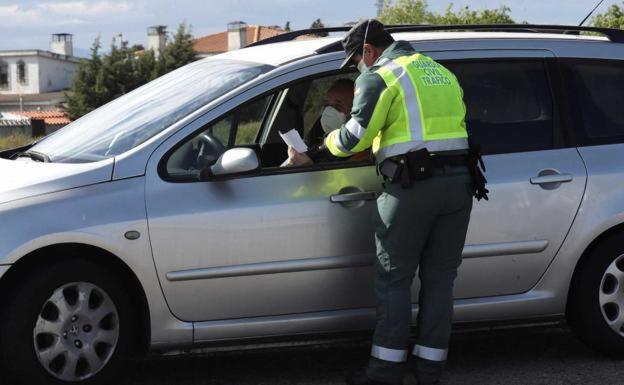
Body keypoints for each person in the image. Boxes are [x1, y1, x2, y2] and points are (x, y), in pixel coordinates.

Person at [288, 19, 487, 385]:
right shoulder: (439, 71)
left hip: (412, 188)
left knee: (394, 280)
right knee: (440, 280)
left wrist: (317, 151)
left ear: (368, 50)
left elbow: (354, 139)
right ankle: (430, 371)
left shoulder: (381, 76)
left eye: (355, 62)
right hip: (459, 185)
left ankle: (384, 372)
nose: (357, 70)